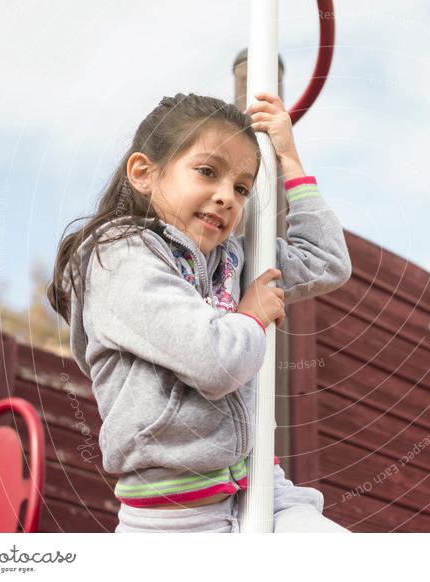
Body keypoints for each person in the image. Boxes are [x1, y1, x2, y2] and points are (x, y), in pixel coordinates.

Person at [47, 91, 352, 533]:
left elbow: (327, 261)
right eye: (207, 172)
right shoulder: (118, 258)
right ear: (144, 172)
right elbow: (213, 361)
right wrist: (250, 317)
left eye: (242, 187)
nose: (227, 196)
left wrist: (290, 160)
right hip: (177, 515)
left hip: (262, 487)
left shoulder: (234, 258)